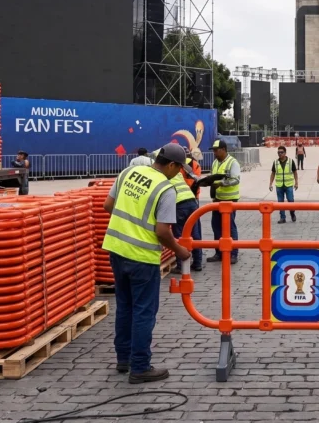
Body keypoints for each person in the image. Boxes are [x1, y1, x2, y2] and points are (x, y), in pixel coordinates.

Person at [102, 143, 192, 383]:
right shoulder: (166, 188)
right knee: (144, 312)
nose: (180, 173)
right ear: (172, 165)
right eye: (180, 168)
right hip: (142, 257)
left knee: (125, 306)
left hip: (116, 250)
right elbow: (163, 231)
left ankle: (124, 359)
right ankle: (140, 366)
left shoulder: (127, 173)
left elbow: (108, 206)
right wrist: (179, 251)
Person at [153, 146, 203, 273]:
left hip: (179, 204)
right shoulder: (177, 173)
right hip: (192, 201)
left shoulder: (162, 175)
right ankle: (197, 263)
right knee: (195, 233)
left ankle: (181, 266)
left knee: (179, 235)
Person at [203, 139, 240, 264]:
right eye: (213, 150)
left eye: (216, 150)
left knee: (230, 227)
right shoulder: (215, 163)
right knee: (216, 226)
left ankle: (233, 254)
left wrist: (221, 184)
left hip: (230, 199)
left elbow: (236, 180)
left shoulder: (232, 162)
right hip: (217, 200)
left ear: (223, 150)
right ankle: (219, 253)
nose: (214, 153)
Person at [269, 145, 299, 223]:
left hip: (288, 185)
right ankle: (282, 217)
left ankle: (292, 214)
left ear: (285, 153)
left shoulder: (290, 161)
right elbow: (273, 173)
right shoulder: (275, 163)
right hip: (279, 186)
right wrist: (270, 183)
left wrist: (296, 183)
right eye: (278, 152)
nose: (280, 154)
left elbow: (295, 172)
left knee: (290, 200)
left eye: (281, 152)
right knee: (280, 202)